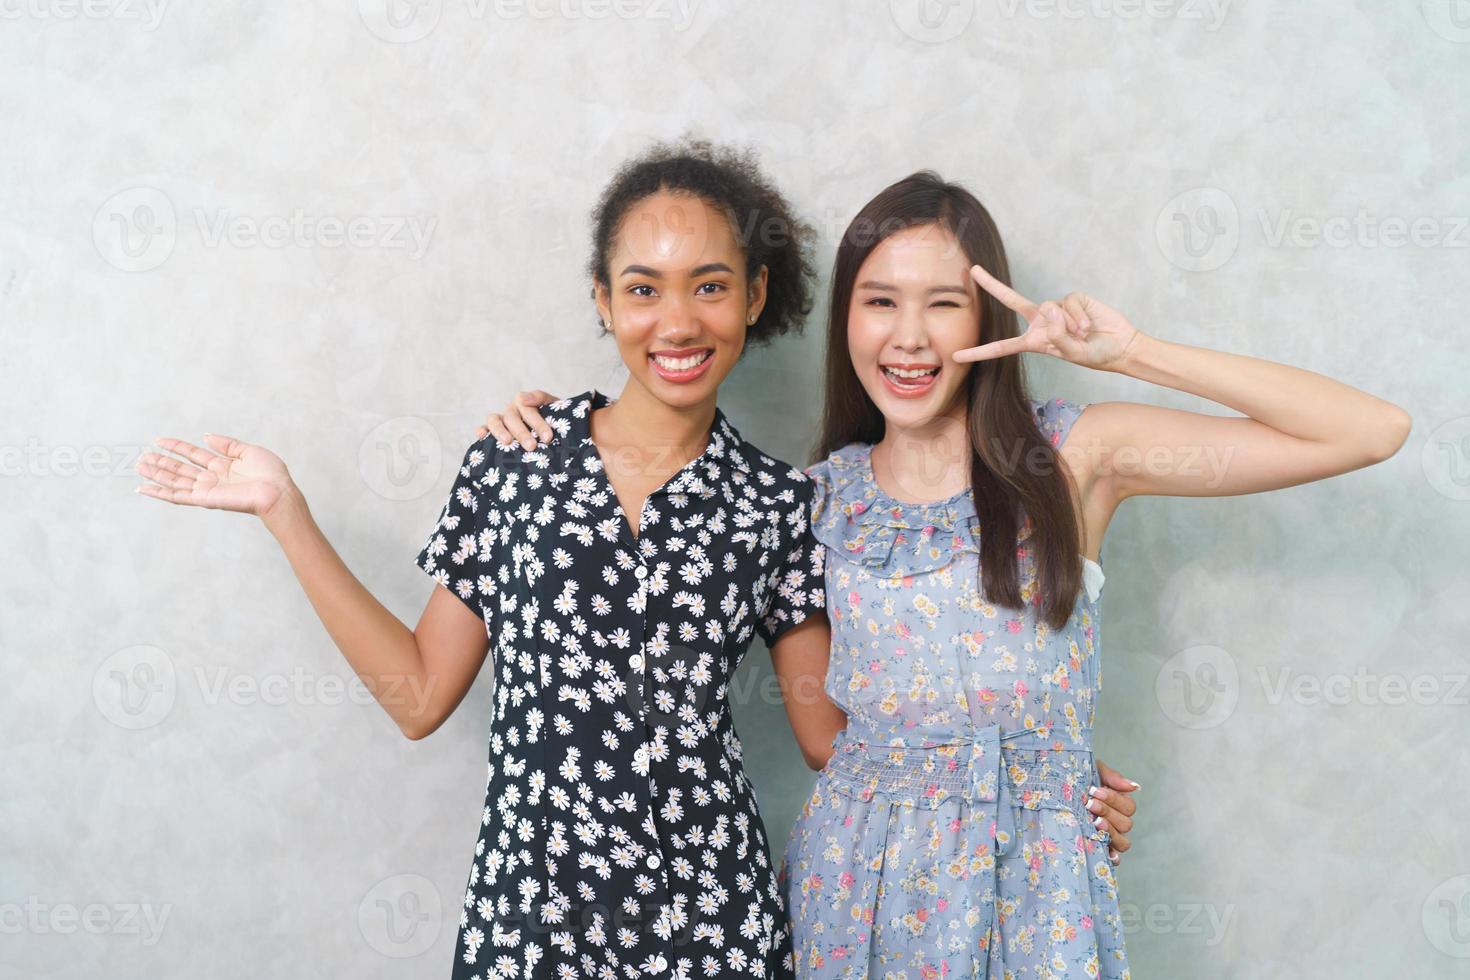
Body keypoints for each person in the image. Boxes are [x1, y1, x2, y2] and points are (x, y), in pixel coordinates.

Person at [477, 170, 1409, 977]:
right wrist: (549, 430)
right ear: (845, 317)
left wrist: (1130, 352)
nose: (910, 337)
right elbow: (820, 731)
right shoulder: (810, 503)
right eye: (880, 300)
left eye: (944, 302)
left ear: (988, 316)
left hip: (1039, 892)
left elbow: (1368, 432)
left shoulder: (1074, 459)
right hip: (853, 892)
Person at [135, 138, 828, 980]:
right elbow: (421, 695)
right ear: (603, 301)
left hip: (715, 924)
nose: (677, 322)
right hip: (532, 921)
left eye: (710, 286)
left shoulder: (780, 504)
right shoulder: (515, 462)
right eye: (643, 288)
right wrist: (288, 512)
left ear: (756, 295)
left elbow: (827, 736)